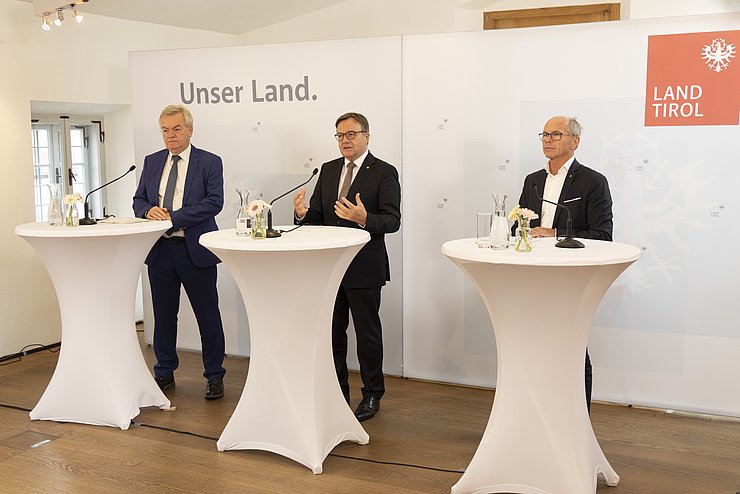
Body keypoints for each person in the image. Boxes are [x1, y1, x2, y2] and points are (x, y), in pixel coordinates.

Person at [293, 112, 401, 421]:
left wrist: (364, 219)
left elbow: (392, 220)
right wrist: (302, 214)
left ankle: (371, 394)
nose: (345, 141)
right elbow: (318, 218)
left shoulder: (383, 172)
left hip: (364, 267)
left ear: (367, 136)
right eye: (340, 135)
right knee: (333, 334)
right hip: (329, 267)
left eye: (351, 134)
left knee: (367, 335)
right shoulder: (327, 171)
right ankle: (338, 392)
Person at [514, 115, 613, 413]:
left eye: (555, 134)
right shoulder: (533, 180)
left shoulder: (593, 182)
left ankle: (577, 414)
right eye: (543, 134)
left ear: (575, 141)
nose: (547, 139)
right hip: (532, 275)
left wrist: (554, 233)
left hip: (569, 278)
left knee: (572, 348)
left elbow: (602, 236)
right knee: (534, 347)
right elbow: (520, 223)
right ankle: (540, 411)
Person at [133, 104, 227, 400]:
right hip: (160, 251)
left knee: (207, 316)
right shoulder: (151, 161)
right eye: (164, 130)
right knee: (163, 316)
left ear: (189, 130)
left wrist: (175, 217)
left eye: (176, 129)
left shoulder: (209, 162)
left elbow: (214, 203)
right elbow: (138, 201)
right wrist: (149, 211)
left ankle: (214, 375)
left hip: (195, 251)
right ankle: (163, 372)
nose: (170, 135)